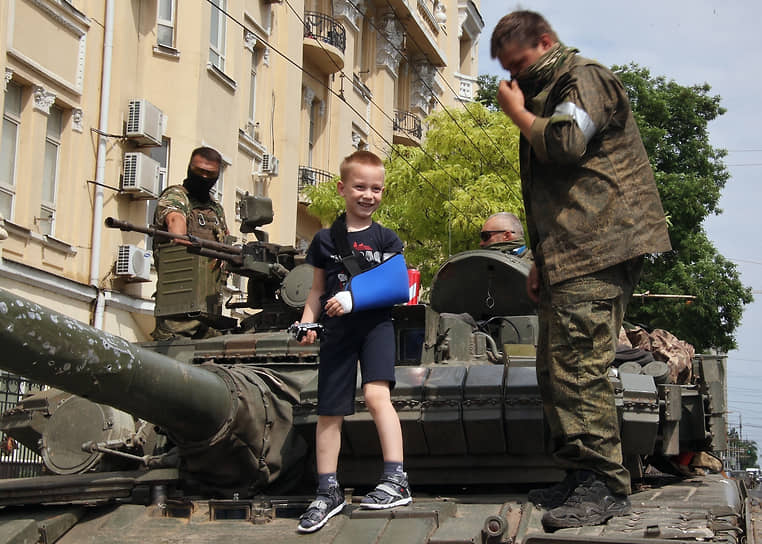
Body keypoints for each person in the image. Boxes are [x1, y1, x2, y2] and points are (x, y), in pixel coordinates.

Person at [490, 11, 672, 530]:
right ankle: (577, 475)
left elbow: (567, 142)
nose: (516, 78)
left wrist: (517, 114)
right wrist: (540, 260)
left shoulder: (583, 78)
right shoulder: (547, 89)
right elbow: (559, 193)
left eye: (521, 63)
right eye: (508, 70)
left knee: (578, 369)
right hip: (569, 250)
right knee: (554, 370)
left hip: (600, 244)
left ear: (545, 42)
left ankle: (605, 486)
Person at [295, 150, 411, 533]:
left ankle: (395, 478)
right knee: (330, 409)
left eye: (376, 188)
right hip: (337, 331)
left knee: (378, 396)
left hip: (375, 326)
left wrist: (355, 297)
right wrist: (306, 322)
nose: (368, 195)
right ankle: (328, 490)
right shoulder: (326, 239)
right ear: (343, 188)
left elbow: (398, 285)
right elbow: (315, 291)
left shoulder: (386, 237)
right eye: (360, 187)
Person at [151, 146, 230, 340]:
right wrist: (185, 240)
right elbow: (175, 223)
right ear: (189, 168)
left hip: (210, 309)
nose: (204, 177)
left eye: (209, 174)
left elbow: (225, 243)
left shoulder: (215, 209)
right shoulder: (176, 196)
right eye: (199, 171)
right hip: (178, 309)